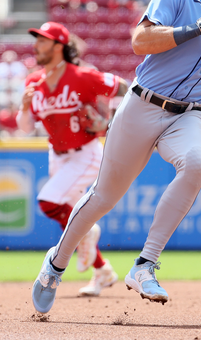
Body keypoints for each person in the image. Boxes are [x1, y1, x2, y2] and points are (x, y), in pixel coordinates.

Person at [30, 0, 201, 313]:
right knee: (104, 197)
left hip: (191, 114)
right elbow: (140, 40)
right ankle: (55, 264)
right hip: (142, 105)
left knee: (197, 165)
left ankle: (145, 264)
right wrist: (196, 27)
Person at [17, 21, 130, 297]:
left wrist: (107, 119)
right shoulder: (34, 82)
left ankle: (88, 234)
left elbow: (125, 88)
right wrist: (23, 106)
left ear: (59, 46)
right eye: (37, 40)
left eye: (43, 41)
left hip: (86, 153)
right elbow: (25, 127)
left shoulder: (82, 76)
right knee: (70, 216)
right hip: (57, 154)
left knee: (49, 201)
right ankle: (102, 271)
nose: (36, 46)